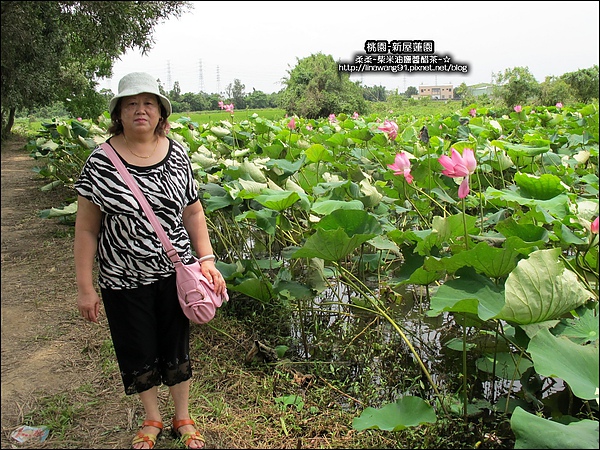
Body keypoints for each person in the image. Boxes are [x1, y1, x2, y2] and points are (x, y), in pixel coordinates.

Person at [74, 72, 226, 449]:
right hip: (122, 278)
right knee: (137, 347)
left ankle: (182, 416)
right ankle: (152, 418)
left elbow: (193, 212)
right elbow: (86, 229)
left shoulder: (177, 153)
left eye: (148, 103)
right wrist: (85, 286)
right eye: (131, 104)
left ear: (160, 112)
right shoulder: (99, 162)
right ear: (119, 113)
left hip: (175, 274)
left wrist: (205, 258)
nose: (140, 110)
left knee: (176, 345)